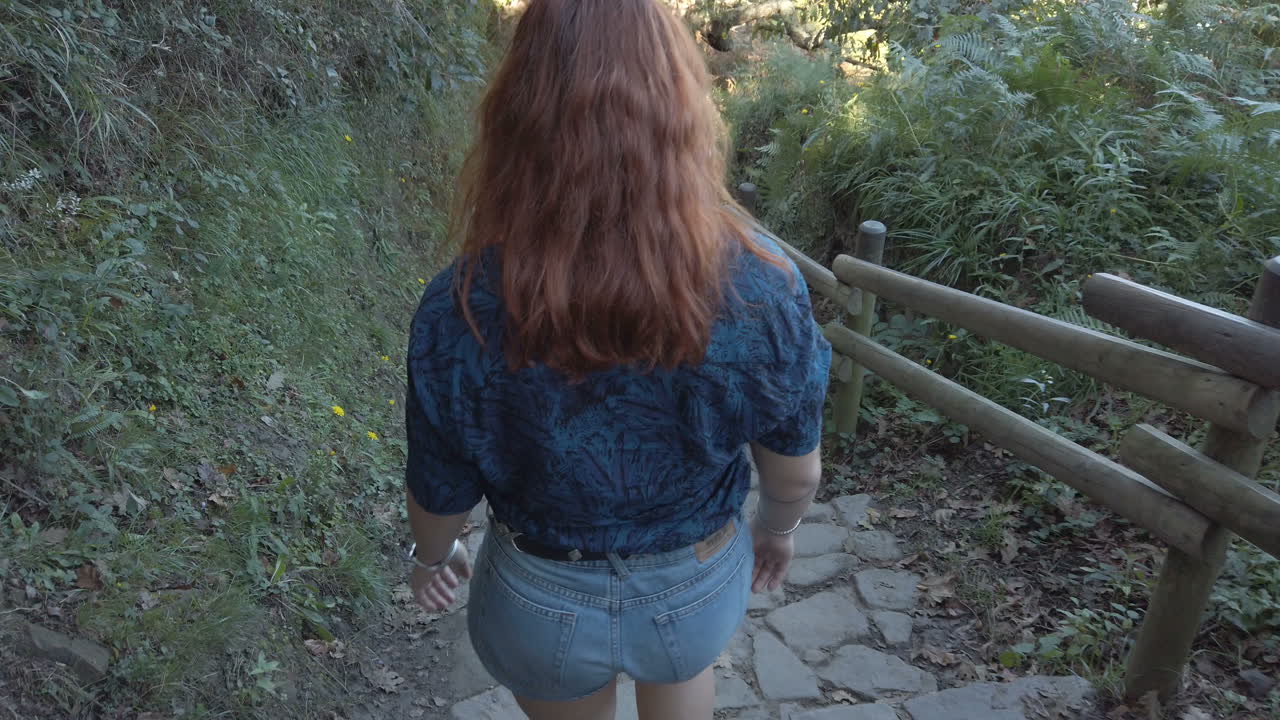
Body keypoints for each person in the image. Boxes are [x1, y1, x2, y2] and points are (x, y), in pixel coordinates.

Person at [403, 0, 831, 717]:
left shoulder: (463, 303)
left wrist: (429, 557)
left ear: (519, 113)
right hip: (693, 587)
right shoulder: (763, 286)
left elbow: (439, 490)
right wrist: (777, 532)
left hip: (539, 600)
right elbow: (795, 471)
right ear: (679, 108)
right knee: (681, 660)